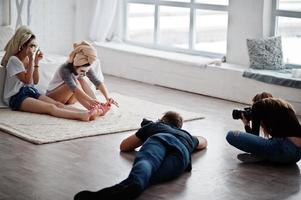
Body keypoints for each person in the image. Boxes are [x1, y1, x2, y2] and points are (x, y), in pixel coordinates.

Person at [74, 111, 207, 200]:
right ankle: (113, 192)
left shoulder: (156, 126)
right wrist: (190, 139)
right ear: (180, 126)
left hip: (161, 139)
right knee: (152, 176)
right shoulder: (187, 136)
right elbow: (203, 141)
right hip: (182, 155)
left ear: (162, 120)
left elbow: (124, 146)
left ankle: (131, 186)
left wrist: (146, 131)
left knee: (148, 162)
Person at [1, 26, 98, 121]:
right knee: (51, 108)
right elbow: (27, 80)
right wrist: (31, 60)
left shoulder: (27, 59)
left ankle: (86, 112)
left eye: (34, 46)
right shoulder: (13, 60)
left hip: (30, 91)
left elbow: (35, 81)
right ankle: (82, 116)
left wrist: (36, 63)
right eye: (31, 46)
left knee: (58, 104)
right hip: (16, 97)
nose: (33, 49)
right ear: (22, 46)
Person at [46, 41, 118, 116]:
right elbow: (74, 89)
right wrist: (90, 100)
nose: (84, 74)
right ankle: (92, 108)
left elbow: (97, 82)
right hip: (53, 97)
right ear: (75, 66)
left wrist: (107, 97)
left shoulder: (85, 66)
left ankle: (97, 107)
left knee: (81, 80)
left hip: (69, 99)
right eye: (82, 71)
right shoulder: (65, 68)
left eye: (85, 72)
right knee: (75, 83)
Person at [226, 93, 301, 164]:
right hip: (296, 157)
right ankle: (265, 156)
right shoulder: (284, 106)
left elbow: (254, 138)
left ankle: (262, 156)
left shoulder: (257, 106)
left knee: (231, 135)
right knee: (269, 144)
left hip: (285, 149)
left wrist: (246, 125)